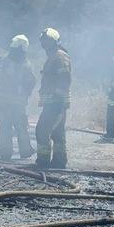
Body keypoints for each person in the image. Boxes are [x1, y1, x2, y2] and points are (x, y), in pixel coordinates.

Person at [0, 34, 36, 160]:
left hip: (2, 102)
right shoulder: (26, 65)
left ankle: (5, 153)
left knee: (4, 128)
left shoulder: (1, 61)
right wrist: (26, 93)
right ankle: (25, 151)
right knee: (21, 127)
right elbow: (31, 82)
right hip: (18, 104)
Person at [35, 27, 72, 169]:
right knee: (57, 133)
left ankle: (43, 162)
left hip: (56, 103)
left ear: (55, 42)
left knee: (42, 130)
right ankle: (59, 161)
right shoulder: (53, 56)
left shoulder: (60, 56)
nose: (44, 45)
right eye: (43, 41)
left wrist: (58, 95)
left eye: (48, 41)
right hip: (55, 102)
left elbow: (65, 77)